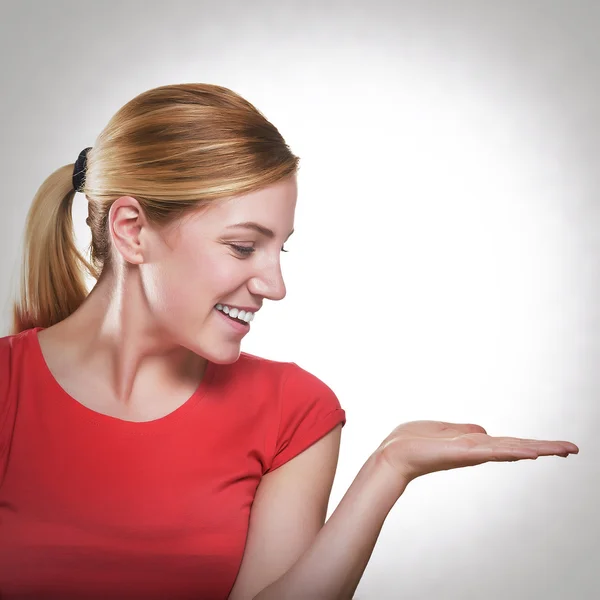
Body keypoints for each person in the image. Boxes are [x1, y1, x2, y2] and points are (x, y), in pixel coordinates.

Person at [0, 83, 578, 600]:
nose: (274, 286)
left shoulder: (293, 412)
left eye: (282, 248)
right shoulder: (8, 389)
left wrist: (387, 468)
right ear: (132, 231)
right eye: (244, 247)